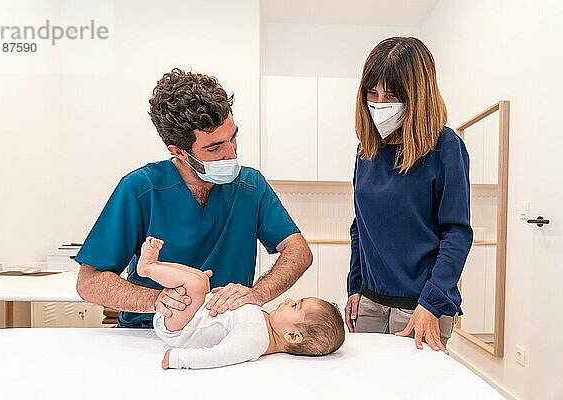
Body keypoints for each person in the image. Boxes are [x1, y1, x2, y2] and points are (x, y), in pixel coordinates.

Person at [75, 68, 313, 328]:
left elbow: (299, 251)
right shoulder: (141, 189)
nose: (230, 153)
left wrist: (258, 293)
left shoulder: (250, 186)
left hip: (225, 330)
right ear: (179, 152)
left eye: (233, 139)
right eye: (214, 147)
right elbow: (90, 281)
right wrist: (158, 301)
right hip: (149, 333)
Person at [344, 37, 473, 352]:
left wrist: (432, 303)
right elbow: (360, 226)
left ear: (417, 96)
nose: (379, 104)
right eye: (371, 94)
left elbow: (456, 233)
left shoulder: (446, 148)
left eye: (391, 95)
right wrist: (354, 287)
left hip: (421, 306)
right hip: (371, 302)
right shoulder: (366, 152)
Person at [136, 236, 344, 369]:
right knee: (201, 279)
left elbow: (219, 356)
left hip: (183, 328)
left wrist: (178, 359)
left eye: (295, 305)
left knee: (196, 283)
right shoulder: (264, 325)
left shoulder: (256, 339)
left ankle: (147, 268)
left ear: (292, 335)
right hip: (192, 316)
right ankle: (155, 264)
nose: (289, 300)